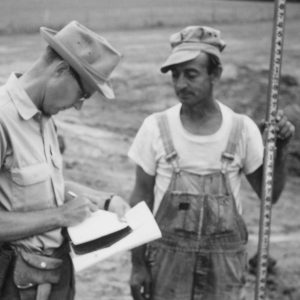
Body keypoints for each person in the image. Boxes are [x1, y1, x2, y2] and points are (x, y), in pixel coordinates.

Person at [129, 26, 295, 300]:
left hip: (224, 269)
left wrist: (282, 150)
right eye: (175, 75)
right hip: (168, 265)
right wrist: (137, 265)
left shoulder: (242, 129)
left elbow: (270, 196)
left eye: (191, 74)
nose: (181, 84)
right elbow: (140, 200)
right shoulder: (155, 128)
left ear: (215, 74)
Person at [0, 20, 130, 300]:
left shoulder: (44, 117)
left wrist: (103, 200)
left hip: (51, 278)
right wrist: (59, 216)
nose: (79, 105)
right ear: (60, 71)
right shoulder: (2, 119)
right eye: (82, 94)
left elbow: (41, 187)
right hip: (12, 283)